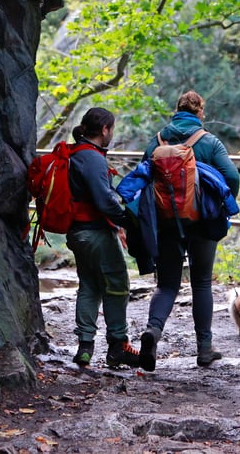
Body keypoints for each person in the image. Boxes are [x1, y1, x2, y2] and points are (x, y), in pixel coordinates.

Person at [138, 91, 240, 371]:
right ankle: (204, 349)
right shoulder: (208, 141)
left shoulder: (158, 140)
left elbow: (143, 175)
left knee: (167, 284)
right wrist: (220, 204)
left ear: (176, 110)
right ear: (200, 113)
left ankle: (153, 332)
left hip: (167, 221)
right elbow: (231, 176)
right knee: (202, 282)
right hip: (203, 221)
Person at [66, 107, 141, 369]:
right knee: (117, 284)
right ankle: (118, 346)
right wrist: (127, 220)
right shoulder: (93, 157)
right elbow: (103, 199)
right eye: (112, 129)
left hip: (76, 233)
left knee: (89, 285)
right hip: (96, 232)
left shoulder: (75, 154)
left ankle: (85, 347)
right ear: (105, 130)